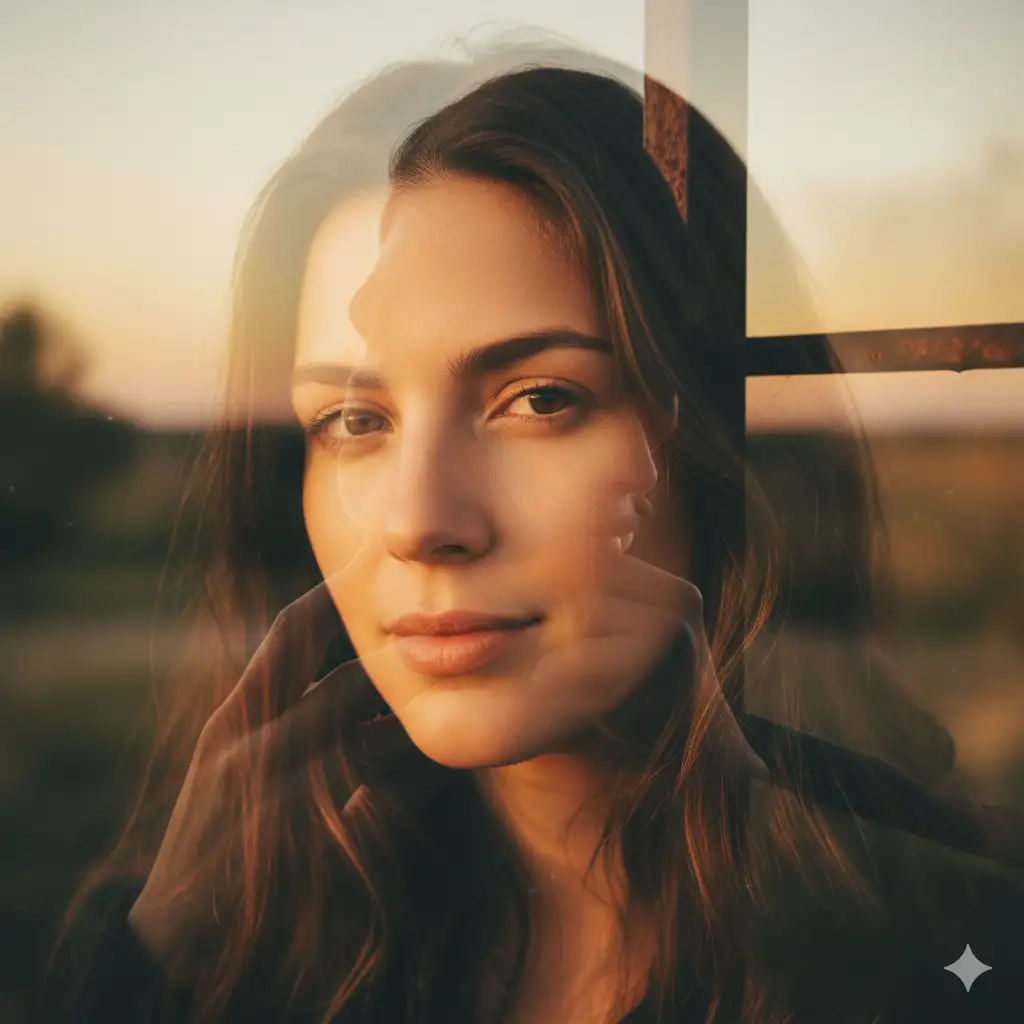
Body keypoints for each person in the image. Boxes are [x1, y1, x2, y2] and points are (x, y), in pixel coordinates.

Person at [38, 37, 1024, 1024]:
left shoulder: (957, 952)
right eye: (352, 421)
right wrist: (152, 964)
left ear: (724, 448)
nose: (421, 522)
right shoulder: (214, 949)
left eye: (540, 398)